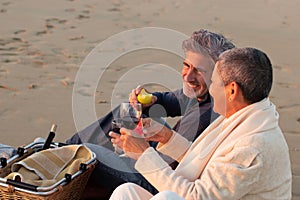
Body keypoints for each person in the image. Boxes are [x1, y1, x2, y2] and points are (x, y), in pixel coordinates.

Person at [109, 47, 292, 200]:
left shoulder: (252, 146)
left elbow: (197, 197)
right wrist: (168, 138)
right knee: (127, 192)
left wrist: (144, 155)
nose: (211, 90)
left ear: (232, 90)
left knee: (167, 199)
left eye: (214, 83)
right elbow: (207, 163)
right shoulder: (248, 116)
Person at [74, 29, 235, 198]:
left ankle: (65, 152)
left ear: (217, 75)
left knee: (88, 152)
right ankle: (57, 148)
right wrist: (150, 101)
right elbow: (174, 99)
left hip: (156, 180)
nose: (188, 77)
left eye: (199, 71)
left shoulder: (208, 116)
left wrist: (136, 149)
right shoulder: (206, 93)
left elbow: (168, 170)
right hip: (162, 155)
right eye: (186, 65)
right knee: (127, 110)